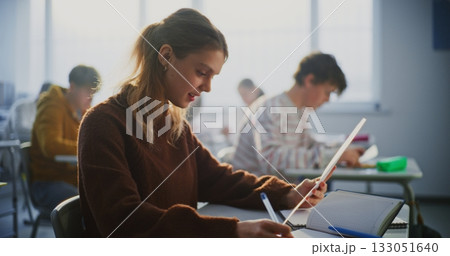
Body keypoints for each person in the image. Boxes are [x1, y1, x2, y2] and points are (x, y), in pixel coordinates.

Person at [78, 8, 327, 238]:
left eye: (212, 77)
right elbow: (124, 222)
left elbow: (219, 179)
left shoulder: (174, 126)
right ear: (165, 56)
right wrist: (232, 231)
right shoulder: (103, 123)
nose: (207, 87)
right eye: (202, 73)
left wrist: (286, 194)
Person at [231, 52, 365, 176]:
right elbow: (271, 161)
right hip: (255, 194)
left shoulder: (298, 111)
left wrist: (340, 150)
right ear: (309, 81)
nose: (327, 99)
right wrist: (331, 156)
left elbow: (309, 145)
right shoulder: (271, 108)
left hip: (279, 191)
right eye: (327, 92)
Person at [30, 65, 101, 210]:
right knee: (90, 205)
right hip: (48, 183)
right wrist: (87, 148)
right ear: (72, 87)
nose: (91, 98)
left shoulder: (80, 111)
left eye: (94, 93)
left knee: (109, 193)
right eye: (88, 91)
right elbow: (51, 145)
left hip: (70, 178)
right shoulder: (52, 106)